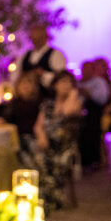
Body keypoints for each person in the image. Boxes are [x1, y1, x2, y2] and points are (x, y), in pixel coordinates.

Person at [36, 70, 82, 211]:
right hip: (48, 144)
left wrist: (72, 94)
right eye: (62, 82)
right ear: (54, 85)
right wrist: (42, 137)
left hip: (66, 146)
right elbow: (38, 125)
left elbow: (66, 112)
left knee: (54, 160)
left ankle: (53, 199)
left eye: (69, 82)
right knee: (37, 156)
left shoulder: (76, 102)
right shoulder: (47, 104)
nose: (65, 85)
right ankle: (46, 197)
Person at [12, 23, 66, 92]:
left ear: (46, 37)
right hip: (27, 97)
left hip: (47, 96)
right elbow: (15, 76)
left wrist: (43, 74)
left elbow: (62, 78)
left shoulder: (56, 54)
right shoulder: (24, 56)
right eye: (33, 39)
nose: (36, 42)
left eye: (39, 38)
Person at [5, 70, 44, 167]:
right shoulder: (14, 103)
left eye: (29, 83)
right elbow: (7, 119)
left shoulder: (38, 103)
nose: (25, 86)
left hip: (32, 137)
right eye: (23, 83)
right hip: (16, 138)